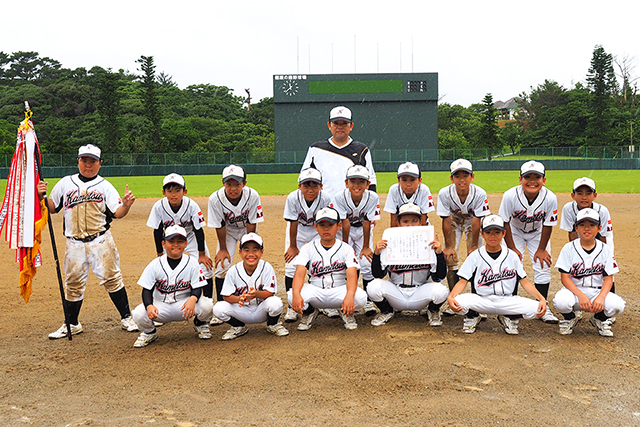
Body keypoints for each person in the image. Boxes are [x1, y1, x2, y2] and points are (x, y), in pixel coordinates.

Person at [37, 144, 138, 339]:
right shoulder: (66, 183)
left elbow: (117, 213)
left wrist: (126, 205)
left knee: (112, 278)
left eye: (92, 161)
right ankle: (72, 323)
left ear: (100, 163)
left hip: (100, 241)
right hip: (74, 243)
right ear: (78, 161)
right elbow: (52, 208)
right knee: (73, 283)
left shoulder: (105, 185)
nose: (88, 165)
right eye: (84, 160)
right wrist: (43, 195)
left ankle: (127, 317)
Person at [447, 214, 547, 335]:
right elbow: (462, 281)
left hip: (507, 301)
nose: (493, 236)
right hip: (481, 301)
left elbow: (524, 282)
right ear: (482, 234)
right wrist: (451, 296)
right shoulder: (475, 255)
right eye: (488, 232)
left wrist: (541, 299)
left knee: (537, 308)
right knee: (458, 301)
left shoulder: (512, 255)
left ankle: (507, 317)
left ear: (504, 234)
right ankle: (473, 316)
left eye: (497, 232)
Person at [146, 173, 216, 325]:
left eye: (177, 190)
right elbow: (157, 231)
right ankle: (160, 307)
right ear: (164, 192)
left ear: (184, 191)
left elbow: (198, 230)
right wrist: (160, 253)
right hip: (169, 241)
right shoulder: (159, 206)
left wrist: (201, 254)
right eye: (169, 190)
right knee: (162, 271)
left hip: (190, 238)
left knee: (205, 269)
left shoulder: (191, 205)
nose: (173, 194)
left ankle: (209, 306)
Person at [367, 203, 448, 327]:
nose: (410, 225)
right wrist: (377, 254)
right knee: (373, 286)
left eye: (414, 221)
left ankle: (432, 310)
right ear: (398, 223)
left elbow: (439, 277)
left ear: (421, 222)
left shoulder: (428, 242)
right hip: (396, 293)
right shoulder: (390, 241)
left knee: (441, 290)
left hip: (420, 293)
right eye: (405, 221)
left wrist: (439, 254)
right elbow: (378, 274)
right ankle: (387, 310)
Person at [131, 225, 214, 347]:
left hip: (184, 305)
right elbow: (146, 290)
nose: (176, 245)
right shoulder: (155, 264)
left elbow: (197, 286)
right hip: (160, 307)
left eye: (180, 241)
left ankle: (200, 324)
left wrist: (193, 299)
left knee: (208, 305)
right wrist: (149, 306)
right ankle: (150, 332)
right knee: (138, 313)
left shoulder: (192, 263)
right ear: (163, 244)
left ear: (186, 244)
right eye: (171, 241)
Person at [498, 161, 559, 324]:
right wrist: (511, 248)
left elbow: (548, 225)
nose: (532, 181)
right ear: (520, 179)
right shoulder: (510, 196)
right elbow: (504, 222)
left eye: (537, 177)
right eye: (528, 177)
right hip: (514, 231)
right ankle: (510, 308)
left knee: (543, 265)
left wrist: (541, 249)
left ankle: (543, 307)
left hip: (538, 233)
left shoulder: (550, 198)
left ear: (544, 180)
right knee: (511, 265)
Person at [289, 207, 367, 330]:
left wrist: (349, 296)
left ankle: (346, 311)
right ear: (315, 227)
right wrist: (296, 294)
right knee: (291, 295)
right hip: (316, 291)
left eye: (330, 225)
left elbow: (352, 275)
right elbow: (299, 274)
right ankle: (310, 312)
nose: (326, 228)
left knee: (361, 297)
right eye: (322, 224)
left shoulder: (346, 248)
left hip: (339, 291)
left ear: (339, 225)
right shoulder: (308, 248)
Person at [552, 209, 625, 336]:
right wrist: (580, 295)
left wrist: (601, 297)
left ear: (599, 228)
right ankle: (570, 318)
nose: (587, 228)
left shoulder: (605, 249)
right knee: (561, 302)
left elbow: (609, 279)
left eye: (592, 225)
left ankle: (599, 319)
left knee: (618, 305)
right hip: (574, 291)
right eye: (582, 225)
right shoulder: (568, 248)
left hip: (597, 291)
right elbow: (565, 278)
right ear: (576, 228)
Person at [208, 164, 264, 325]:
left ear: (244, 183)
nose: (233, 188)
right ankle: (221, 305)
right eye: (229, 184)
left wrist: (249, 248)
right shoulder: (215, 199)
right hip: (228, 232)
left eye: (237, 184)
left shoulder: (252, 195)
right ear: (223, 183)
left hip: (248, 230)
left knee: (252, 261)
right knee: (222, 265)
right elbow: (219, 225)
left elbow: (252, 223)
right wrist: (223, 249)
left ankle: (256, 298)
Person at [213, 233, 289, 340]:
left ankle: (272, 324)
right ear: (240, 252)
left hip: (261, 310)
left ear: (262, 252)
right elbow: (226, 296)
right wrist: (239, 299)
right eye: (246, 250)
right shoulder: (233, 271)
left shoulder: (267, 267)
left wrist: (256, 294)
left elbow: (270, 293)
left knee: (275, 303)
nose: (251, 254)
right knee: (218, 308)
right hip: (241, 310)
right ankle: (238, 326)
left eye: (255, 250)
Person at [282, 167, 332, 322]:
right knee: (291, 265)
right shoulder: (293, 198)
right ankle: (292, 306)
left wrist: (324, 242)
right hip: (297, 230)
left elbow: (327, 223)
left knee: (318, 264)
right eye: (306, 185)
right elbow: (293, 223)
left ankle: (320, 303)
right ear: (300, 186)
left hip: (317, 229)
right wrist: (293, 246)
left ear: (321, 186)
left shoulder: (325, 198)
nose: (310, 189)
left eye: (314, 185)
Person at [332, 165, 381, 316]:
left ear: (368, 184)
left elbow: (367, 222)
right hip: (344, 231)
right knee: (343, 264)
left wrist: (366, 246)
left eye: (361, 181)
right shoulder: (339, 197)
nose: (357, 185)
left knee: (366, 263)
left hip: (362, 231)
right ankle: (342, 298)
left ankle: (366, 300)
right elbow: (345, 223)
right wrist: (346, 248)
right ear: (346, 183)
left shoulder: (372, 197)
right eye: (353, 181)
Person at [300, 106, 377, 198]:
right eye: (336, 123)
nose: (340, 127)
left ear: (351, 126)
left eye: (344, 123)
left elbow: (371, 182)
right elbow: (304, 179)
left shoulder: (362, 150)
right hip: (324, 205)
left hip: (352, 206)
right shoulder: (316, 149)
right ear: (329, 125)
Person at [437, 159, 490, 290]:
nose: (461, 180)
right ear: (451, 178)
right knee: (450, 257)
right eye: (457, 176)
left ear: (472, 177)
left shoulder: (479, 193)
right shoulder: (444, 193)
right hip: (454, 221)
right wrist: (449, 246)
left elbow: (477, 220)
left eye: (465, 175)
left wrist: (474, 245)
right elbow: (446, 220)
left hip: (473, 222)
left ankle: (476, 297)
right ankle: (453, 298)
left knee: (475, 257)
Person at [559, 177, 614, 250]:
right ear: (573, 196)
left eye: (588, 193)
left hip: (603, 241)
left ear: (594, 196)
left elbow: (603, 237)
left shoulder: (602, 211)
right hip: (581, 239)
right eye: (580, 193)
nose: (584, 197)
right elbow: (573, 234)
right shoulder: (569, 209)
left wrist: (601, 255)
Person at [383, 162, 435, 227]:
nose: (408, 184)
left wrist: (423, 235)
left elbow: (423, 219)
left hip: (419, 226)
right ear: (399, 181)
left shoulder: (424, 190)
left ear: (420, 180)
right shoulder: (394, 190)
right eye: (404, 180)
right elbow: (394, 219)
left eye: (412, 180)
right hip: (402, 227)